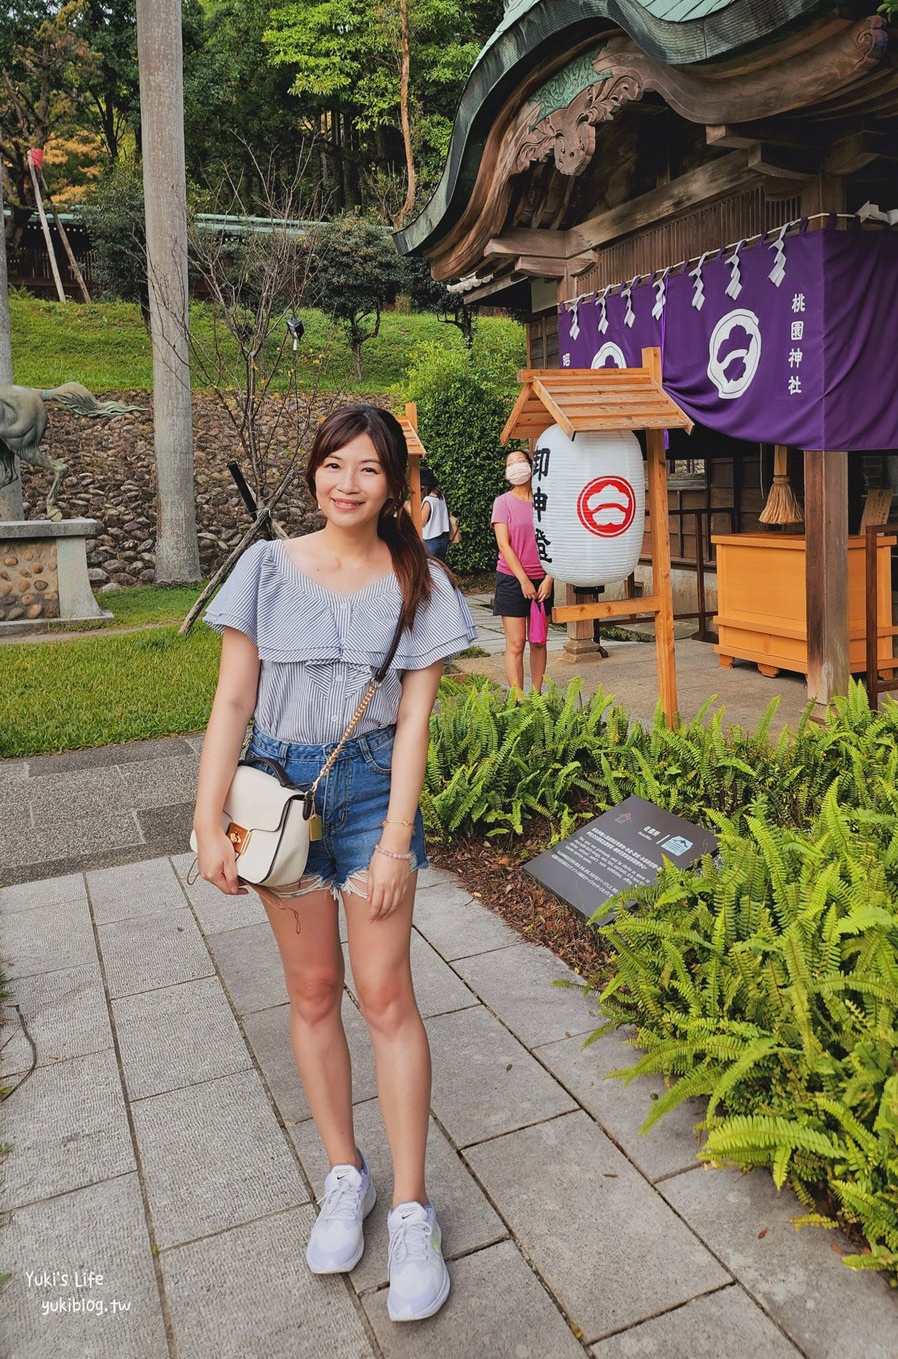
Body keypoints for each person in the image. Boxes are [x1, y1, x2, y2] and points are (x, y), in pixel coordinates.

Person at [192, 404, 475, 1322]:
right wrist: (207, 825)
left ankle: (410, 1209)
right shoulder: (267, 568)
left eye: (368, 469)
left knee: (386, 996)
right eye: (333, 464)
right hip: (275, 791)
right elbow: (234, 701)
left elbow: (417, 725)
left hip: (368, 797)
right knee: (312, 991)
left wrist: (396, 840)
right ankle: (344, 1175)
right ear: (313, 471)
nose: (346, 483)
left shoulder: (419, 581)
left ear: (394, 487)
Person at [491, 446, 553, 695]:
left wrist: (549, 578)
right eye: (509, 463)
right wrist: (524, 581)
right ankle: (517, 701)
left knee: (538, 641)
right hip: (511, 579)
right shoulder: (502, 502)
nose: (515, 465)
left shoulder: (545, 500)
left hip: (543, 580)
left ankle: (537, 698)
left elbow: (558, 539)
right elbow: (504, 545)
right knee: (516, 644)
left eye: (520, 460)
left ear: (531, 465)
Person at [417, 467, 453, 561]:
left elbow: (421, 522)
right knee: (440, 569)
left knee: (429, 572)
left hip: (431, 541)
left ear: (423, 485)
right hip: (443, 539)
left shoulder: (428, 500)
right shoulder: (440, 495)